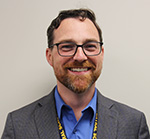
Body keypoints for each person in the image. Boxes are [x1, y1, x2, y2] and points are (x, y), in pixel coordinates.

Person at [1, 8, 150, 139]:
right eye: (67, 46)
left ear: (101, 54)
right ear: (49, 56)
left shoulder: (133, 124)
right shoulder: (17, 125)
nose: (80, 56)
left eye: (90, 46)